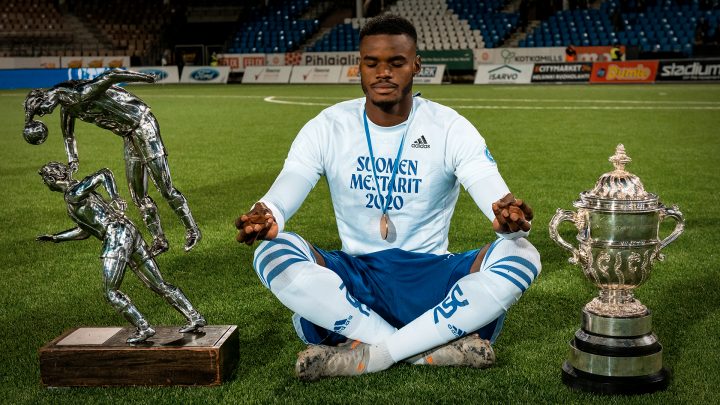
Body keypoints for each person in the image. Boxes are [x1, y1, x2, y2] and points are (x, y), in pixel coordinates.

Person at [234, 14, 541, 381]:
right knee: (271, 251)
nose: (383, 72)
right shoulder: (328, 126)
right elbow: (289, 186)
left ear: (416, 66)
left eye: (396, 63)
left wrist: (509, 218)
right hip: (357, 279)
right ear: (359, 66)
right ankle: (423, 347)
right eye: (372, 63)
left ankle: (372, 352)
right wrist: (267, 213)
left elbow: (489, 186)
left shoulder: (449, 126)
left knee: (523, 253)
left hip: (432, 279)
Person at [23, 69, 201, 256]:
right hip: (128, 134)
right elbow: (68, 135)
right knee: (138, 195)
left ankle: (192, 230)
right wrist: (73, 158)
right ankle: (159, 240)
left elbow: (112, 75)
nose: (44, 113)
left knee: (164, 187)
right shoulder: (67, 108)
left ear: (45, 97)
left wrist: (145, 78)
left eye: (42, 109)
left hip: (143, 124)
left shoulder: (79, 93)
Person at [36, 162, 206, 343]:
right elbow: (84, 231)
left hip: (116, 235)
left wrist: (115, 196)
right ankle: (195, 316)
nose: (45, 184)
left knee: (111, 292)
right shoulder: (77, 195)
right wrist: (56, 237)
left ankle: (143, 327)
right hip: (129, 231)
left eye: (45, 180)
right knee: (158, 284)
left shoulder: (73, 193)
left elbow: (104, 173)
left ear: (52, 179)